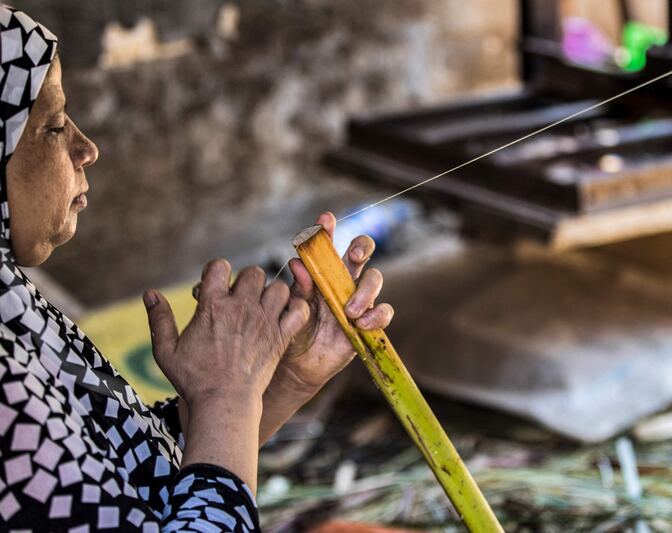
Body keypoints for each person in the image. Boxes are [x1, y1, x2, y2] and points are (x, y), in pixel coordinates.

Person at [0, 6, 393, 531]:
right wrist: (227, 394)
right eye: (52, 125)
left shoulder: (14, 304)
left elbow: (145, 471)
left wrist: (281, 381)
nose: (87, 148)